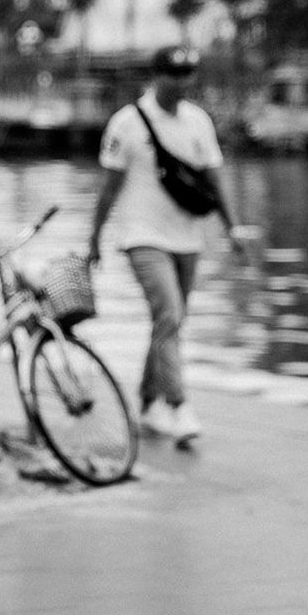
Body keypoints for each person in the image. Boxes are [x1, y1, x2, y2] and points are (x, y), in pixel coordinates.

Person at [86, 43, 245, 443]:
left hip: (187, 236)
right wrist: (94, 238)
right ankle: (179, 405)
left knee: (169, 321)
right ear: (156, 75)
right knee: (169, 314)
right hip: (141, 236)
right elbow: (109, 187)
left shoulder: (198, 121)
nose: (181, 81)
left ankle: (148, 400)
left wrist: (233, 228)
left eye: (188, 73)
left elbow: (215, 179)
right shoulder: (127, 123)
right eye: (174, 73)